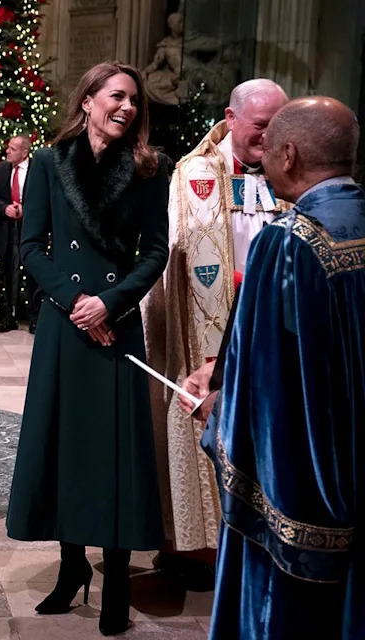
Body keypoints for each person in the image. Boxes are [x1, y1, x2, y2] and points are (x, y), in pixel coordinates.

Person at [6, 61, 169, 636]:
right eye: (116, 96)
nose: (126, 107)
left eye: (133, 100)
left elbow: (155, 252)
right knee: (66, 444)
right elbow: (31, 247)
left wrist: (111, 303)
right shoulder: (49, 163)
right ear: (89, 99)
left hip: (118, 324)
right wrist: (78, 302)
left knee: (116, 450)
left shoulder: (150, 168)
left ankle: (117, 580)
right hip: (63, 322)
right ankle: (72, 567)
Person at [201, 96, 364, 639]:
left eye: (268, 148)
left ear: (289, 154)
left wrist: (216, 412)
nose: (262, 158)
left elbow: (265, 385)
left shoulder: (288, 243)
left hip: (307, 500)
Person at [142, 79, 290, 559]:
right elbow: (172, 257)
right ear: (230, 118)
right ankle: (198, 546)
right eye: (259, 127)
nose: (268, 139)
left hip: (269, 322)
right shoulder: (194, 173)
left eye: (277, 128)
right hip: (206, 328)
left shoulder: (290, 171)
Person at [0, 135, 40, 333]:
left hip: (30, 230)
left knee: (32, 274)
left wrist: (27, 210)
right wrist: (5, 208)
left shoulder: (38, 169)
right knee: (8, 272)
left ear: (24, 152)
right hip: (6, 231)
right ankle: (9, 316)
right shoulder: (1, 170)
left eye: (12, 148)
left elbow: (45, 198)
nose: (7, 151)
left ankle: (34, 318)